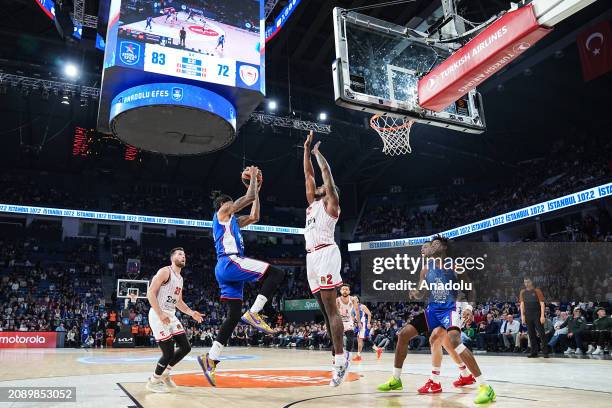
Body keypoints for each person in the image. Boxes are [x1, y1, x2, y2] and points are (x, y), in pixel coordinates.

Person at [198, 166, 286, 386]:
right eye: (230, 204)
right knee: (276, 273)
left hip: (226, 270)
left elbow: (255, 215)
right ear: (223, 206)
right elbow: (248, 197)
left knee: (233, 315)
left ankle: (211, 358)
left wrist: (257, 189)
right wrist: (254, 180)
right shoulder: (221, 214)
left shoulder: (235, 222)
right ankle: (255, 313)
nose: (232, 207)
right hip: (230, 261)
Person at [303, 131, 349, 386]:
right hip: (311, 257)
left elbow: (325, 177)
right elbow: (308, 175)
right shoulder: (312, 203)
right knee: (323, 309)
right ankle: (338, 351)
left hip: (327, 252)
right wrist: (306, 149)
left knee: (331, 309)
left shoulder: (331, 204)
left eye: (324, 188)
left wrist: (318, 154)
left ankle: (340, 361)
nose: (318, 187)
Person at [146, 248, 204, 393]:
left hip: (171, 315)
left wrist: (191, 313)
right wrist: (160, 314)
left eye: (184, 255)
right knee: (168, 353)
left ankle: (165, 373)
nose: (183, 257)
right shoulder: (165, 272)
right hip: (158, 314)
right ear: (172, 258)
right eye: (179, 254)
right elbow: (150, 293)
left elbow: (179, 302)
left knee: (186, 347)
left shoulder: (180, 279)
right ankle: (153, 381)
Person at [519, 277, 549, 358]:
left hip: (537, 314)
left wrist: (542, 316)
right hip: (528, 314)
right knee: (531, 334)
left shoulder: (537, 291)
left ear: (531, 282)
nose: (526, 284)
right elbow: (522, 305)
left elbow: (542, 304)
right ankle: (534, 352)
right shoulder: (522, 292)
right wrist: (522, 316)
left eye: (528, 282)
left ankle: (545, 352)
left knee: (541, 333)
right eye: (525, 282)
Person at [337, 285, 360, 357]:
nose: (344, 291)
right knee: (337, 340)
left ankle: (348, 355)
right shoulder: (337, 300)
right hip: (340, 321)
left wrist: (359, 322)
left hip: (349, 321)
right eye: (343, 289)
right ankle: (335, 357)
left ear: (349, 291)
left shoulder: (353, 299)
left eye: (346, 289)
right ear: (340, 291)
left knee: (350, 339)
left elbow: (356, 310)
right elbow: (335, 313)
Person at [352, 297, 371, 361]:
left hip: (362, 324)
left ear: (358, 300)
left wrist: (368, 323)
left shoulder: (362, 306)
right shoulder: (352, 307)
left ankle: (358, 356)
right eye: (353, 298)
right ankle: (358, 355)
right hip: (357, 324)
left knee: (360, 340)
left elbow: (369, 314)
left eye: (356, 298)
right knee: (359, 339)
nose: (354, 299)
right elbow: (353, 317)